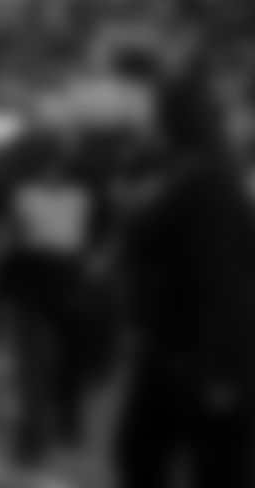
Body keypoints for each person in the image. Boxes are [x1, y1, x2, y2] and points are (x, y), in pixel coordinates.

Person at [116, 66, 255, 488]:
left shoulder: (205, 180)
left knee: (172, 460)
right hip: (177, 349)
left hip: (196, 356)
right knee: (143, 454)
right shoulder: (195, 173)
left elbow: (220, 280)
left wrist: (219, 372)